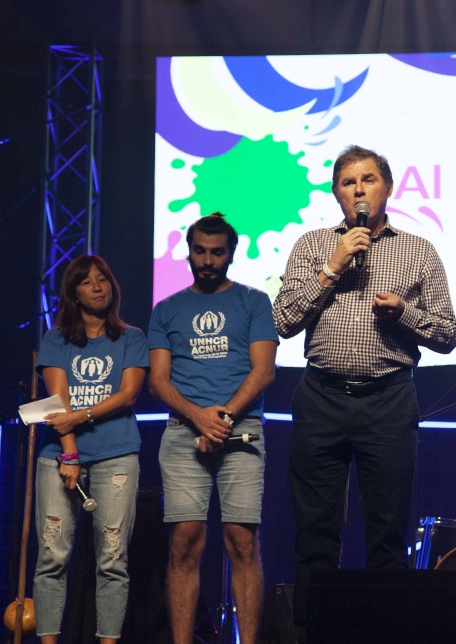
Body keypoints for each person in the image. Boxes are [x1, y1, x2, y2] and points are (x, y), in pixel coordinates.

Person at [272, 145, 456, 585]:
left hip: (388, 401)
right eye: (348, 182)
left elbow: (447, 335)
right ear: (337, 194)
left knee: (387, 537)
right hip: (322, 397)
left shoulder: (419, 251)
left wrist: (404, 314)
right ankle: (314, 633)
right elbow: (283, 321)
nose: (359, 189)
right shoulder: (313, 245)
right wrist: (331, 267)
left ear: (388, 189)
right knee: (314, 535)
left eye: (368, 180)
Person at [148, 212, 278, 644]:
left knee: (242, 542)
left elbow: (263, 372)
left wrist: (222, 418)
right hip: (184, 432)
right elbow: (158, 381)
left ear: (231, 254)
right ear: (188, 252)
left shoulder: (255, 301)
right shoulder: (166, 309)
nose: (207, 260)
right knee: (185, 542)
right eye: (200, 251)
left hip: (242, 432)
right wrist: (199, 416)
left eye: (216, 252)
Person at [33, 255, 148, 643]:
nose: (98, 287)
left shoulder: (130, 337)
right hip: (58, 459)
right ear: (73, 293)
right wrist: (69, 455)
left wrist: (79, 419)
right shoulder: (56, 338)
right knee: (52, 558)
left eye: (103, 279)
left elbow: (129, 395)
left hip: (116, 456)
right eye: (87, 282)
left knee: (113, 561)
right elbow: (57, 403)